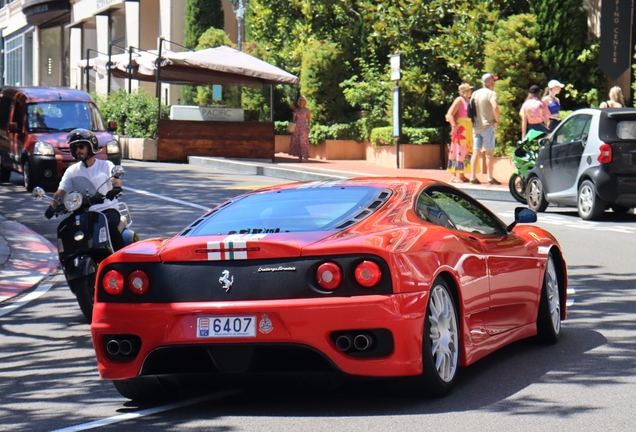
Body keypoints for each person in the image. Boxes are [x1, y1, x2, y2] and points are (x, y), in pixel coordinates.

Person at [45, 128, 125, 251]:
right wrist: (52, 206)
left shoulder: (105, 165)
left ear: (90, 147)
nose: (78, 150)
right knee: (68, 230)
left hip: (106, 210)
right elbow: (60, 193)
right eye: (75, 148)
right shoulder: (72, 171)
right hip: (84, 213)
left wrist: (116, 188)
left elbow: (115, 179)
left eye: (81, 146)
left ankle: (120, 258)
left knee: (107, 225)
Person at [470, 72, 501, 185]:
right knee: (489, 153)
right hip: (488, 126)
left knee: (476, 151)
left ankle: (473, 177)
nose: (494, 83)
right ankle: (490, 178)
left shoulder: (475, 93)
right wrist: (497, 120)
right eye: (493, 81)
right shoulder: (491, 94)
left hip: (476, 126)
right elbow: (495, 107)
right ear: (488, 82)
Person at [445, 83, 474, 183]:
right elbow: (450, 113)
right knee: (457, 149)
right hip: (460, 127)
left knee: (465, 150)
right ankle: (454, 175)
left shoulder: (467, 101)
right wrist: (454, 126)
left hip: (467, 126)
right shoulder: (459, 100)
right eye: (469, 90)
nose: (471, 91)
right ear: (464, 91)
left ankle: (461, 174)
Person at [289, 95, 311, 162]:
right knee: (298, 141)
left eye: (303, 100)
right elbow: (293, 120)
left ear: (305, 102)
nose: (302, 101)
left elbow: (309, 120)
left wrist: (308, 127)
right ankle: (300, 156)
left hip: (303, 126)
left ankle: (306, 155)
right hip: (297, 127)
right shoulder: (296, 110)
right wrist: (294, 116)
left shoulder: (307, 110)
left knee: (303, 141)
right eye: (301, 100)